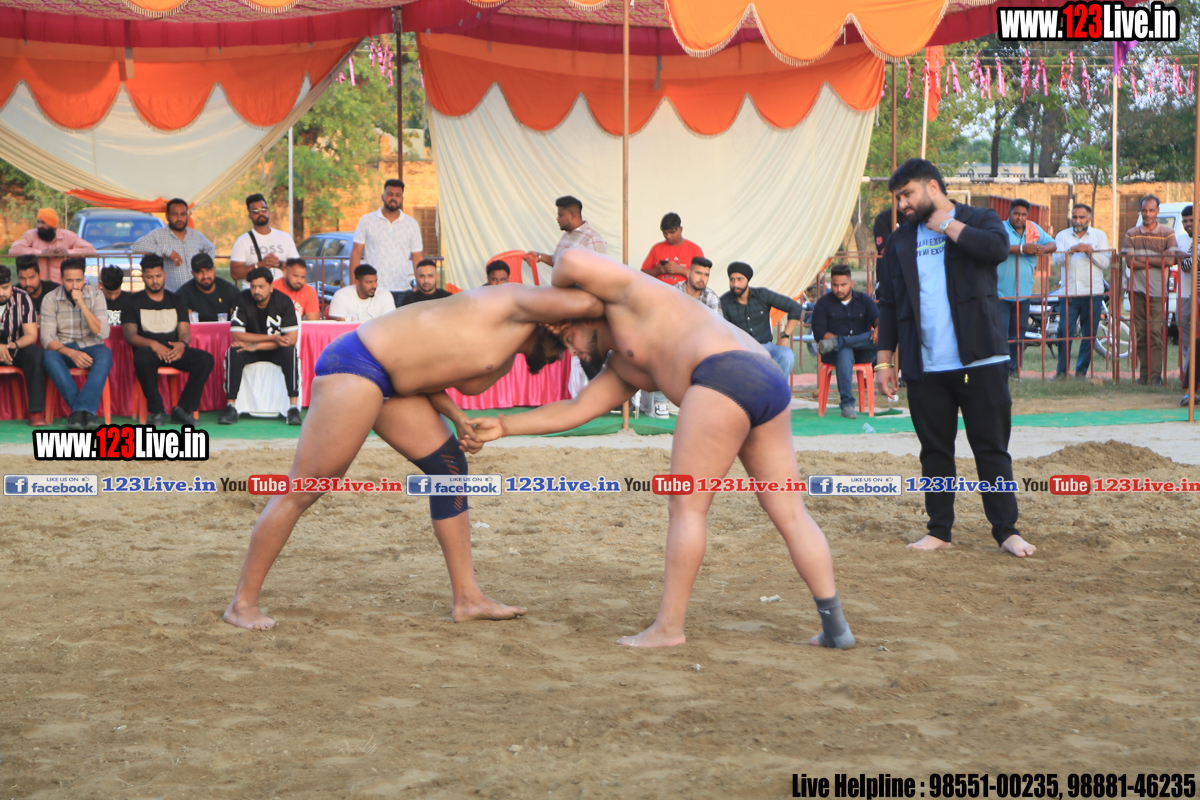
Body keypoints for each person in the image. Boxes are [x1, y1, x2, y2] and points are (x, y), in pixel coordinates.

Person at [471, 248, 855, 650]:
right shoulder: (624, 366)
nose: (574, 352)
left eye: (569, 339)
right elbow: (576, 409)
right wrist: (505, 425)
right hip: (764, 377)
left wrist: (557, 302)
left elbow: (568, 260)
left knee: (687, 508)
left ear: (581, 314)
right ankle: (836, 628)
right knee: (790, 512)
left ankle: (669, 628)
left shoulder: (629, 294)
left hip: (722, 372)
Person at [221, 282, 604, 631]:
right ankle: (242, 604)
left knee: (449, 467)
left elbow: (422, 375)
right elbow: (589, 293)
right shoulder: (508, 302)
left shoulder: (507, 354)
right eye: (584, 342)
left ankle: (468, 599)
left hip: (393, 382)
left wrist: (457, 418)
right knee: (305, 488)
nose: (575, 353)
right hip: (356, 363)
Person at [874, 159, 1035, 558]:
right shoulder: (899, 241)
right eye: (898, 198)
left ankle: (1007, 532)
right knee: (934, 452)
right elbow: (889, 303)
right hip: (926, 368)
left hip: (980, 363)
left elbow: (997, 250)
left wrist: (946, 224)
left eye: (907, 194)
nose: (902, 204)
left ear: (932, 187)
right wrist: (884, 361)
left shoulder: (979, 218)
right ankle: (939, 530)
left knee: (991, 449)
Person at [121, 255, 215, 426]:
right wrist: (153, 344)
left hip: (173, 350)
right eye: (149, 277)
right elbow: (130, 336)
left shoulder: (177, 300)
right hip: (149, 351)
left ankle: (183, 410)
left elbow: (185, 332)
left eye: (158, 276)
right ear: (143, 277)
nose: (154, 281)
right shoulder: (132, 301)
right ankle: (157, 411)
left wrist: (182, 344)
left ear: (164, 275)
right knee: (141, 358)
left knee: (205, 359)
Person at [219, 268, 301, 426]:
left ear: (271, 287)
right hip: (253, 348)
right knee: (234, 351)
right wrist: (272, 338)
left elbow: (291, 339)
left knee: (290, 352)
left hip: (272, 349)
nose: (256, 291)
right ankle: (231, 406)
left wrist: (256, 346)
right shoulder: (241, 299)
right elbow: (237, 336)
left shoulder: (283, 301)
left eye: (261, 286)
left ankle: (292, 408)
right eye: (253, 286)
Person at [39, 258, 112, 431]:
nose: (74, 285)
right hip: (64, 348)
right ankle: (85, 412)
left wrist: (82, 305)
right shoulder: (50, 298)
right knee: (49, 356)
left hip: (91, 346)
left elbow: (103, 333)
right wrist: (71, 353)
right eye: (69, 280)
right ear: (61, 279)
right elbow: (47, 338)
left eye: (78, 280)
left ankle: (78, 413)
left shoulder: (96, 295)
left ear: (84, 279)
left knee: (105, 354)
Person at [1122, 195, 1178, 386]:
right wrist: (1158, 258)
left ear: (1157, 211)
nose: (1148, 214)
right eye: (1144, 210)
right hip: (1136, 289)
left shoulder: (1167, 233)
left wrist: (1143, 260)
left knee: (1155, 331)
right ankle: (1143, 374)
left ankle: (1156, 375)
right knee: (1140, 332)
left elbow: (1171, 260)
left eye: (1151, 210)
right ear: (1141, 211)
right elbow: (1130, 263)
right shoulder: (1131, 233)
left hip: (1158, 290)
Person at [1052, 204, 1111, 380]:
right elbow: (1057, 261)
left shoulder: (1099, 236)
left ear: (1089, 219)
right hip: (1069, 292)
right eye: (1075, 217)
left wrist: (1091, 253)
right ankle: (1062, 372)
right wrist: (1071, 250)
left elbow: (1106, 263)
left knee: (1089, 333)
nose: (1077, 221)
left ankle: (1081, 371)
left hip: (1092, 292)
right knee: (1064, 332)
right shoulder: (1062, 236)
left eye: (1082, 217)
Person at [812, 263, 879, 419]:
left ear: (851, 283)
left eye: (843, 285)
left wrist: (879, 327)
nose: (839, 289)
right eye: (835, 285)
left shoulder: (864, 300)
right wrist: (842, 343)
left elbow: (878, 319)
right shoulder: (823, 303)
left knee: (879, 335)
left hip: (863, 351)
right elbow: (819, 333)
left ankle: (840, 341)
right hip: (834, 353)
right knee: (845, 351)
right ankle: (847, 405)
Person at [998, 199, 1056, 377]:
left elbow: (1053, 244)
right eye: (1016, 213)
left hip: (1023, 293)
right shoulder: (1000, 228)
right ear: (1009, 213)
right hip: (1000, 293)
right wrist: (1022, 248)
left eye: (1023, 214)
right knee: (1000, 334)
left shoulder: (1033, 229)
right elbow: (996, 248)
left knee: (1018, 334)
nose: (1020, 217)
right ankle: (1000, 371)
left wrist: (1042, 249)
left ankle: (1015, 370)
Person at [719, 261, 802, 376]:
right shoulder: (724, 302)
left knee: (786, 355)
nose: (735, 284)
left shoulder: (761, 295)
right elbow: (722, 332)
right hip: (741, 349)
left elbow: (795, 308)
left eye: (739, 279)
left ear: (747, 280)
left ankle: (778, 386)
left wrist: (785, 336)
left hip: (766, 346)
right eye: (732, 280)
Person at [350, 179, 423, 293]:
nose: (393, 198)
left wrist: (420, 287)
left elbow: (417, 258)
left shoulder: (411, 224)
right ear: (382, 196)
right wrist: (353, 286)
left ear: (402, 199)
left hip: (403, 289)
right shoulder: (367, 221)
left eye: (397, 195)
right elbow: (356, 254)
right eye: (390, 194)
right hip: (373, 288)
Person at [131, 198, 216, 292]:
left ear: (187, 216)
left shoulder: (196, 235)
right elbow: (136, 246)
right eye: (175, 214)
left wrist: (204, 266)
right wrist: (167, 251)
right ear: (167, 216)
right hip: (174, 293)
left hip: (196, 293)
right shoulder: (158, 234)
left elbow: (210, 248)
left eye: (183, 214)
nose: (179, 218)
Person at [0, 263, 48, 426]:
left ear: (11, 284)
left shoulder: (22, 297)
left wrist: (12, 345)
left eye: (5, 287)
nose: (1, 293)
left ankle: (36, 412)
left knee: (36, 354)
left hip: (14, 349)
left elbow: (31, 335)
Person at [7, 208, 96, 282]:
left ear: (52, 225)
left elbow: (91, 250)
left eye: (43, 223)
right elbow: (13, 250)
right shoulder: (31, 234)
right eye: (38, 222)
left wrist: (68, 252)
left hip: (61, 287)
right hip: (38, 287)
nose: (39, 226)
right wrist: (41, 253)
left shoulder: (67, 236)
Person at [229, 193, 299, 286]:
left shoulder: (285, 237)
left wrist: (279, 264)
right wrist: (259, 265)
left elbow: (297, 268)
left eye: (263, 209)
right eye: (255, 211)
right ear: (250, 216)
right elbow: (235, 274)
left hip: (281, 293)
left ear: (268, 212)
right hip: (254, 292)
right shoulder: (242, 241)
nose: (260, 213)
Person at [526, 195, 607, 268]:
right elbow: (557, 262)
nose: (557, 219)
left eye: (560, 215)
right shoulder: (567, 235)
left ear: (573, 216)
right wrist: (539, 256)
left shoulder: (593, 238)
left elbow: (601, 270)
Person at [640, 212, 704, 286]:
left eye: (672, 232)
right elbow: (642, 274)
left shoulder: (694, 249)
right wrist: (657, 270)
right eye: (665, 233)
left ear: (681, 229)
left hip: (683, 292)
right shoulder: (656, 248)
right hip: (658, 291)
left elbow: (702, 278)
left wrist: (681, 270)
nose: (668, 236)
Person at [177, 253, 240, 322]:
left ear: (214, 269)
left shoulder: (230, 291)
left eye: (208, 270)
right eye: (200, 272)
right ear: (193, 274)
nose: (205, 276)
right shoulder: (183, 295)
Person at [327, 264, 396, 322]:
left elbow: (389, 323)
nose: (374, 286)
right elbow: (338, 325)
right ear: (357, 283)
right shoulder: (341, 295)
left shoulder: (385, 295)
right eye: (369, 282)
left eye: (375, 281)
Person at [1176, 206, 1194, 405]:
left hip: (1196, 294)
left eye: (1192, 220)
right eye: (1185, 221)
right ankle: (1189, 379)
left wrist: (1186, 258)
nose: (1188, 224)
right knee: (1187, 340)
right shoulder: (1180, 239)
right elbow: (1184, 266)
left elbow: (1187, 264)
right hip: (1184, 295)